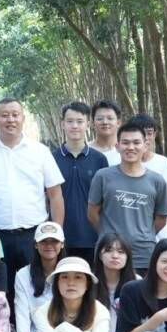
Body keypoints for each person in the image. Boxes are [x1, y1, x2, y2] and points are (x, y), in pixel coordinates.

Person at [0, 97, 65, 278]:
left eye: (15, 115)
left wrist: (57, 232)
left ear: (23, 118)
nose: (10, 120)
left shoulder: (40, 151)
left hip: (33, 234)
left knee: (35, 283)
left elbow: (55, 195)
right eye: (4, 115)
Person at [88, 118, 167, 272]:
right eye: (125, 143)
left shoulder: (157, 180)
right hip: (109, 254)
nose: (131, 147)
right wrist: (106, 234)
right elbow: (92, 214)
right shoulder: (103, 176)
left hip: (143, 255)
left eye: (136, 142)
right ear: (117, 146)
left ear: (145, 145)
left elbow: (161, 218)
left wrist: (145, 234)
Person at [54, 102, 110, 259]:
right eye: (70, 121)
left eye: (80, 121)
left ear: (88, 124)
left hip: (93, 236)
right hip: (60, 238)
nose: (75, 126)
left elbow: (105, 200)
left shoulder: (99, 159)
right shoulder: (51, 158)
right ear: (62, 124)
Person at [12, 220, 64, 332]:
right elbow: (22, 314)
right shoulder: (23, 275)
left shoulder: (70, 273)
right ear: (36, 244)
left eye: (54, 241)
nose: (49, 245)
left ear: (62, 244)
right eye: (44, 241)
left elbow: (74, 314)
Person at [92, 233, 136, 332]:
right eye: (109, 250)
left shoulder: (137, 283)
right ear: (100, 254)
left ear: (128, 256)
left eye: (121, 251)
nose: (115, 255)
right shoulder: (89, 281)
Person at [89, 100, 122, 165]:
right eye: (100, 119)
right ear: (92, 123)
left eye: (110, 118)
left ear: (118, 123)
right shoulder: (84, 151)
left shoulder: (126, 150)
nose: (105, 122)